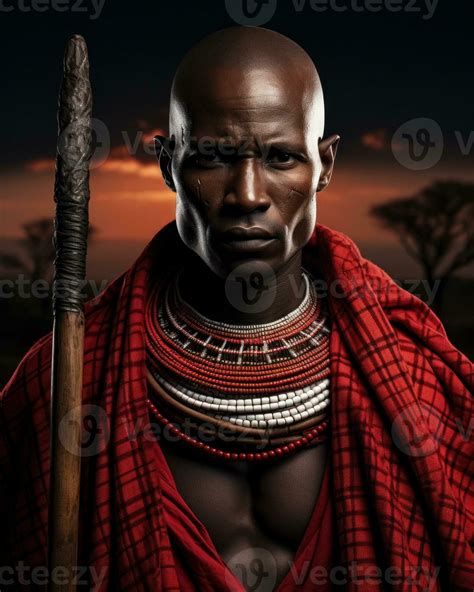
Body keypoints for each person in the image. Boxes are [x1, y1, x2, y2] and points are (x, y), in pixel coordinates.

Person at [1, 26, 473, 592]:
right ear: (167, 164)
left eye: (280, 157)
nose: (248, 194)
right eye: (214, 158)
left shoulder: (416, 373)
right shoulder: (63, 380)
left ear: (324, 165)